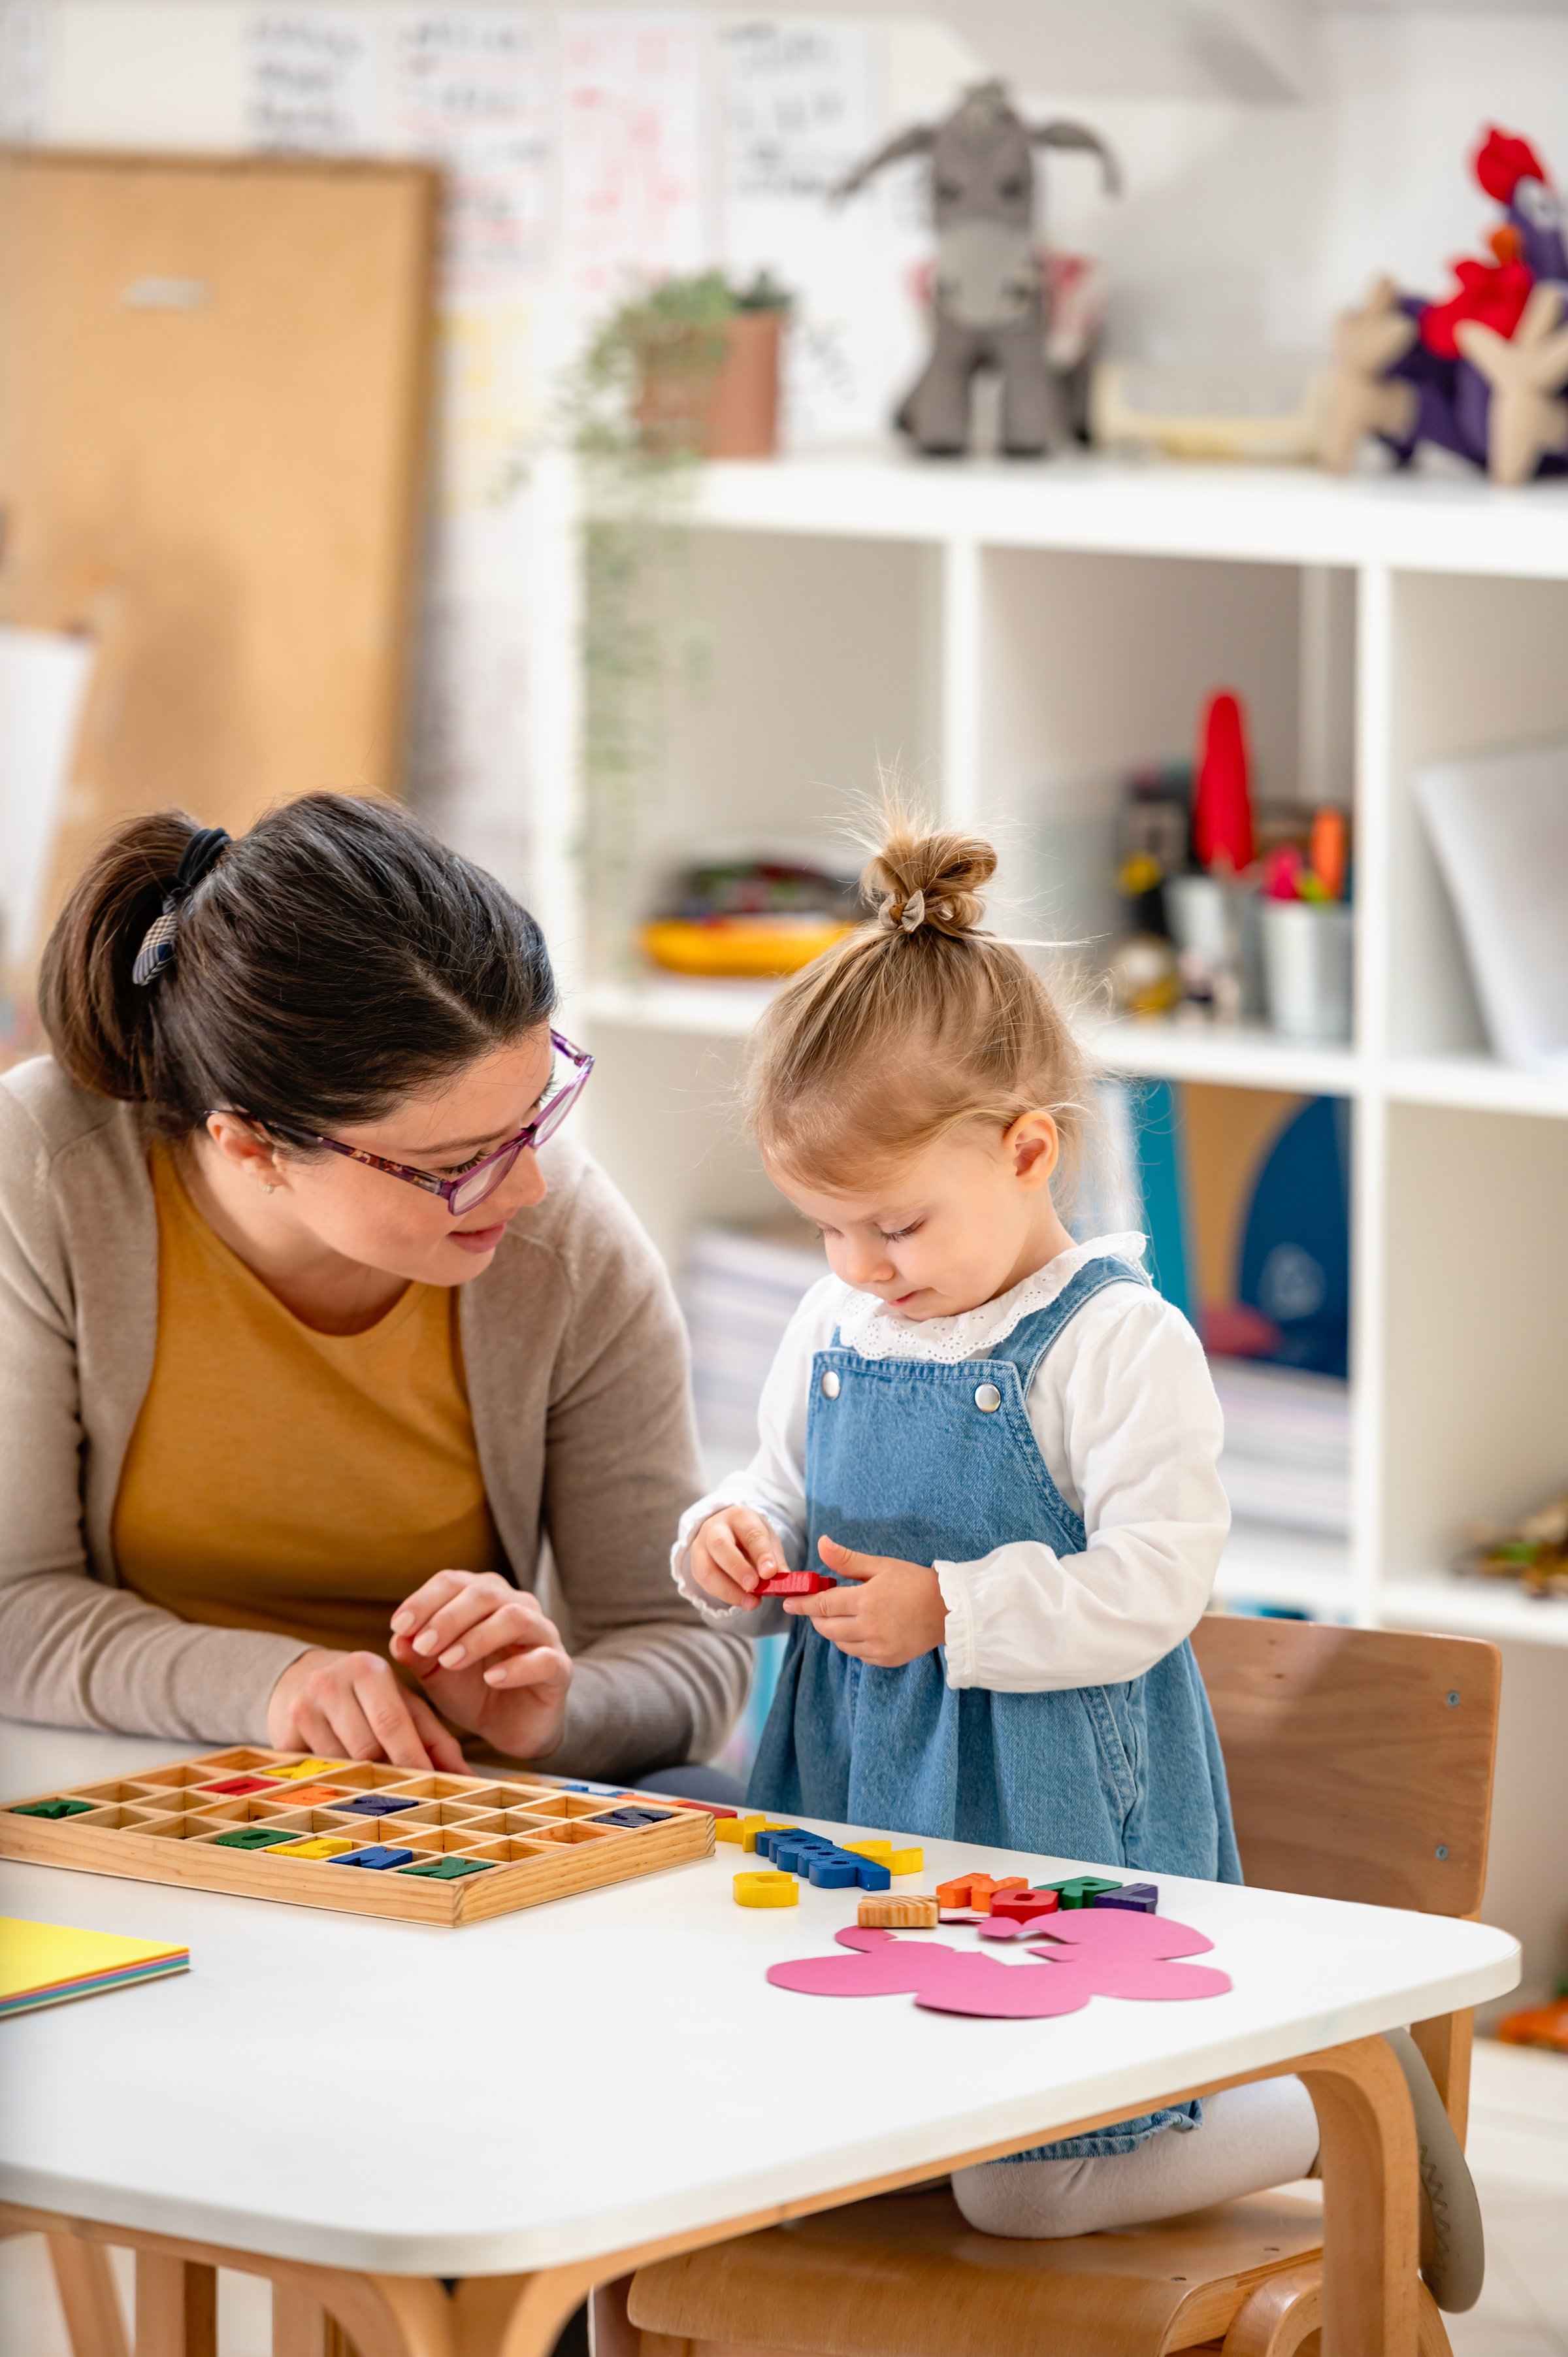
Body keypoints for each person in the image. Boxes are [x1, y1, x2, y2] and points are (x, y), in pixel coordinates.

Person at [672, 812, 1322, 2232]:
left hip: (1049, 1784)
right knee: (818, 2141)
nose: (857, 1266)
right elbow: (771, 1479)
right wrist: (725, 1529)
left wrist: (953, 1611)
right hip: (854, 1768)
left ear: (1029, 1149)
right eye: (827, 1229)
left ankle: (1320, 2105)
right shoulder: (841, 1312)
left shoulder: (1116, 1340)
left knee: (1022, 2185)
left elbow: (1158, 1581)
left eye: (894, 1227)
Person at [0, 794, 747, 1794]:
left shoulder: (565, 1247)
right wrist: (274, 1688)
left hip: (450, 1811)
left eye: (536, 1114)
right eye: (455, 1162)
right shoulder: (49, 1174)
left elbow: (688, 1648)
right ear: (252, 1144)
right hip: (137, 1778)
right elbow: (14, 1604)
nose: (526, 1189)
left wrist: (555, 1713)